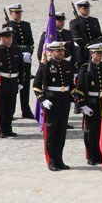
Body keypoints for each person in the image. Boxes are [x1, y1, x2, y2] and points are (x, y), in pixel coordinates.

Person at [33, 41, 74, 171]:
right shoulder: (45, 66)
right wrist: (42, 100)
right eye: (57, 51)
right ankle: (51, 160)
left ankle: (60, 159)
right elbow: (36, 85)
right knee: (52, 133)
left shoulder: (68, 65)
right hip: (52, 102)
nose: (61, 53)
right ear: (51, 52)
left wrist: (73, 99)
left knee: (61, 133)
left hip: (64, 101)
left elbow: (71, 85)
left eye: (62, 51)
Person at [75, 43, 102, 166]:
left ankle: (99, 154)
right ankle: (91, 155)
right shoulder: (85, 68)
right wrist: (83, 105)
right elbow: (79, 88)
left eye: (101, 53)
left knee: (101, 130)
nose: (99, 55)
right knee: (90, 131)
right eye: (97, 53)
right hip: (91, 103)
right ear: (92, 54)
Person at [6, 4, 36, 119]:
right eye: (16, 13)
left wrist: (29, 52)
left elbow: (31, 42)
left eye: (19, 13)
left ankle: (26, 109)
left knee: (25, 85)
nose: (18, 15)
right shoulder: (7, 26)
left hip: (26, 60)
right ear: (11, 13)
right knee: (13, 88)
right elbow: (10, 45)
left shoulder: (26, 25)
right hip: (14, 60)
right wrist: (20, 53)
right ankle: (10, 111)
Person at [0, 26, 24, 138]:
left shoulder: (16, 50)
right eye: (6, 37)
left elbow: (21, 68)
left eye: (10, 37)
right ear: (1, 38)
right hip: (2, 82)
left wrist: (21, 81)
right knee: (2, 107)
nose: (9, 39)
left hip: (13, 82)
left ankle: (8, 127)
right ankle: (1, 128)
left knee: (11, 107)